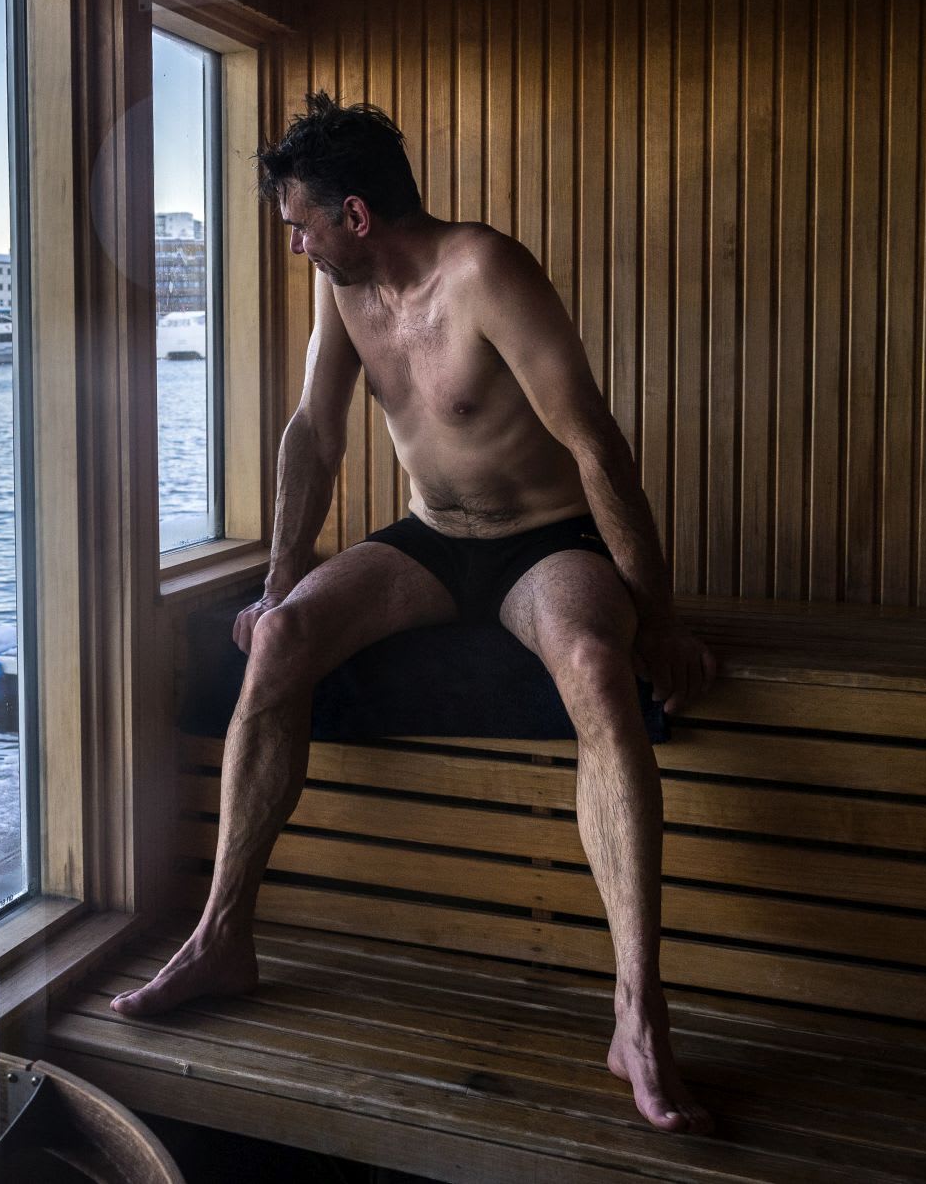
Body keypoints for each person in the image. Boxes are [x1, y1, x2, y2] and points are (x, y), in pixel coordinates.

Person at [113, 91, 720, 1135]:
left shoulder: (484, 272)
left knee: (591, 662)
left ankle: (635, 1011)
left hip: (545, 540)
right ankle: (221, 935)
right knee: (287, 637)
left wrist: (653, 614)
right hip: (430, 538)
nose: (294, 245)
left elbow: (594, 446)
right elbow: (314, 432)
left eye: (300, 225)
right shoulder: (344, 294)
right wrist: (276, 580)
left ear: (354, 216)